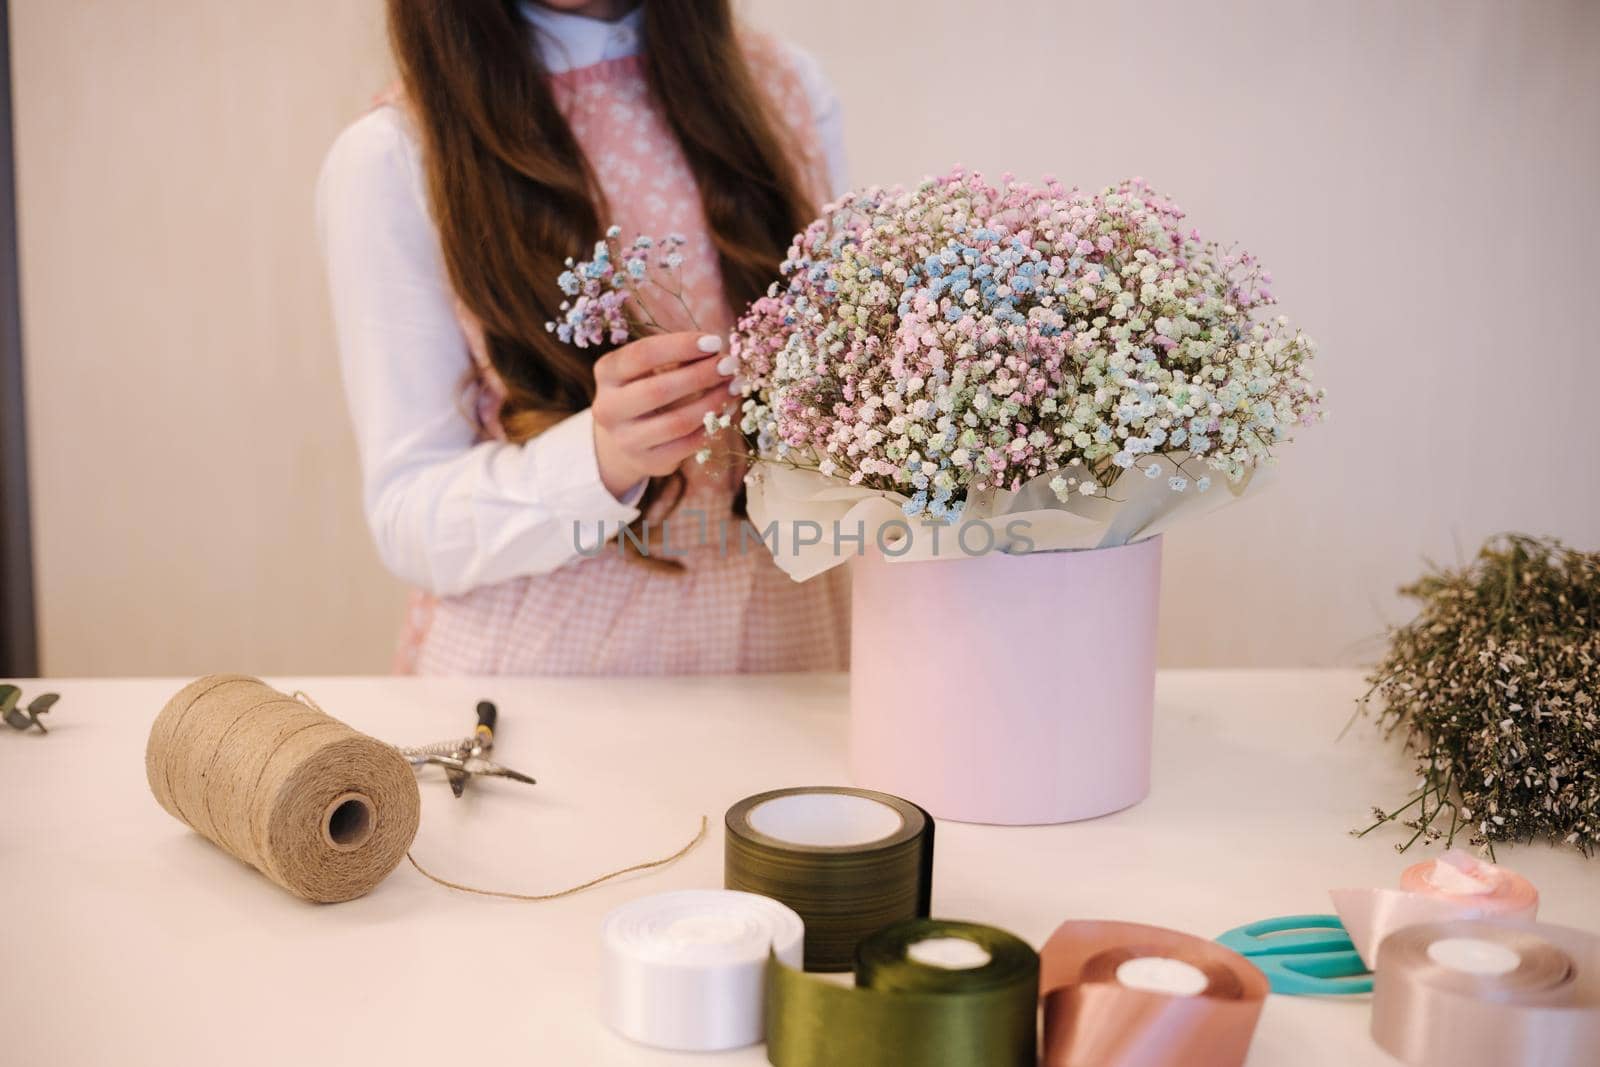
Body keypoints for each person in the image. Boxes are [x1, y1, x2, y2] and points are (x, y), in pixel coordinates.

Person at [316, 0, 851, 674]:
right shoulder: (396, 154)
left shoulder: (784, 89)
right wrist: (599, 457)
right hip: (555, 687)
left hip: (794, 653)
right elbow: (409, 517)